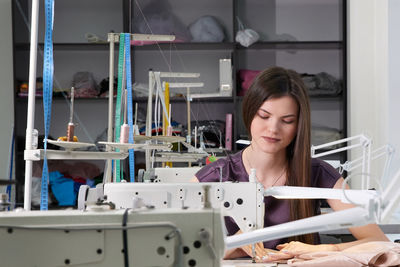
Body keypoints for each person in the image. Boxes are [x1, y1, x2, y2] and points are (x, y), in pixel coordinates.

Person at [192, 66, 388, 262]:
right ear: (250, 112)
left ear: (298, 125)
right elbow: (177, 248)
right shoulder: (216, 175)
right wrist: (233, 244)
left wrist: (324, 248)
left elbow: (378, 240)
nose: (273, 129)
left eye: (287, 120)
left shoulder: (318, 173)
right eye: (264, 116)